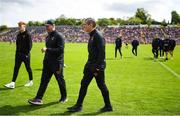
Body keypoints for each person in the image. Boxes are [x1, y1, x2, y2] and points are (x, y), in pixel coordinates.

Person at [67, 18, 113, 112]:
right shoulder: (92, 35)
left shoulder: (98, 36)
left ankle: (108, 106)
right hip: (90, 66)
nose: (83, 26)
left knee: (101, 85)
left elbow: (102, 53)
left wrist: (97, 67)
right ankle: (78, 106)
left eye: (85, 25)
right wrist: (87, 65)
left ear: (91, 24)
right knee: (84, 84)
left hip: (97, 67)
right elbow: (92, 53)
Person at [28, 20, 67, 105]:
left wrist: (47, 49)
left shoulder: (59, 36)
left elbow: (60, 50)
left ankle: (64, 97)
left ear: (53, 25)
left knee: (60, 80)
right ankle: (38, 98)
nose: (46, 28)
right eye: (46, 26)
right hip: (47, 63)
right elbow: (49, 49)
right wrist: (46, 51)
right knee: (44, 81)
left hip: (57, 63)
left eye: (48, 26)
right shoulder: (48, 37)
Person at [4, 21, 33, 89]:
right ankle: (12, 83)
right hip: (18, 54)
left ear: (24, 26)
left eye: (20, 26)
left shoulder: (28, 34)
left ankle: (31, 81)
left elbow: (30, 46)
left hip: (26, 55)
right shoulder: (18, 34)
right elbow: (17, 44)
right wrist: (17, 52)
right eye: (19, 26)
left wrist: (26, 54)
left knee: (28, 68)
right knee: (16, 68)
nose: (19, 27)